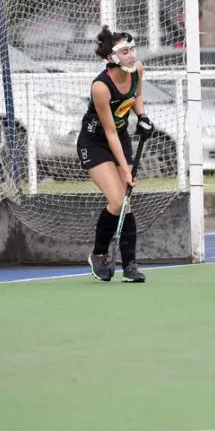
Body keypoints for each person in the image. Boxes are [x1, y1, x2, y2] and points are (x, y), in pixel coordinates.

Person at [79, 26, 153, 283]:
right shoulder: (101, 86)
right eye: (124, 51)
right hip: (95, 142)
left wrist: (142, 117)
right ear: (111, 57)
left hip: (120, 138)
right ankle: (98, 254)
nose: (131, 55)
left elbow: (138, 96)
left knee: (126, 203)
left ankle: (129, 266)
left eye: (132, 49)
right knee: (119, 199)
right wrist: (125, 169)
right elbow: (109, 133)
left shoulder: (138, 70)